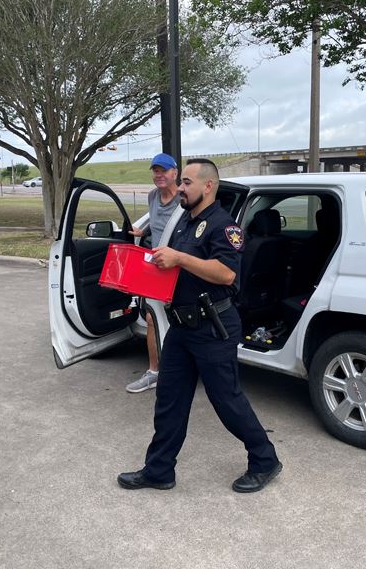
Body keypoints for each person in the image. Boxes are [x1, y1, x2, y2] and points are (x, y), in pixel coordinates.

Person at [117, 158, 282, 493]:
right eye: (182, 183)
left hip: (213, 328)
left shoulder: (224, 226)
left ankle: (265, 459)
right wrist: (141, 278)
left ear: (208, 186)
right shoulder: (183, 223)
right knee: (169, 399)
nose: (180, 188)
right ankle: (159, 470)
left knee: (227, 400)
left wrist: (180, 258)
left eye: (187, 182)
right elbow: (174, 270)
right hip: (182, 327)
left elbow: (227, 273)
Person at [125, 153, 181, 393]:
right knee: (152, 319)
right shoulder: (152, 196)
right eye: (155, 171)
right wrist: (143, 233)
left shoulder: (185, 199)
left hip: (181, 266)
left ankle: (181, 371)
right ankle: (154, 372)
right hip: (156, 267)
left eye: (164, 170)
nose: (159, 175)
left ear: (175, 173)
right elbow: (157, 225)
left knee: (179, 321)